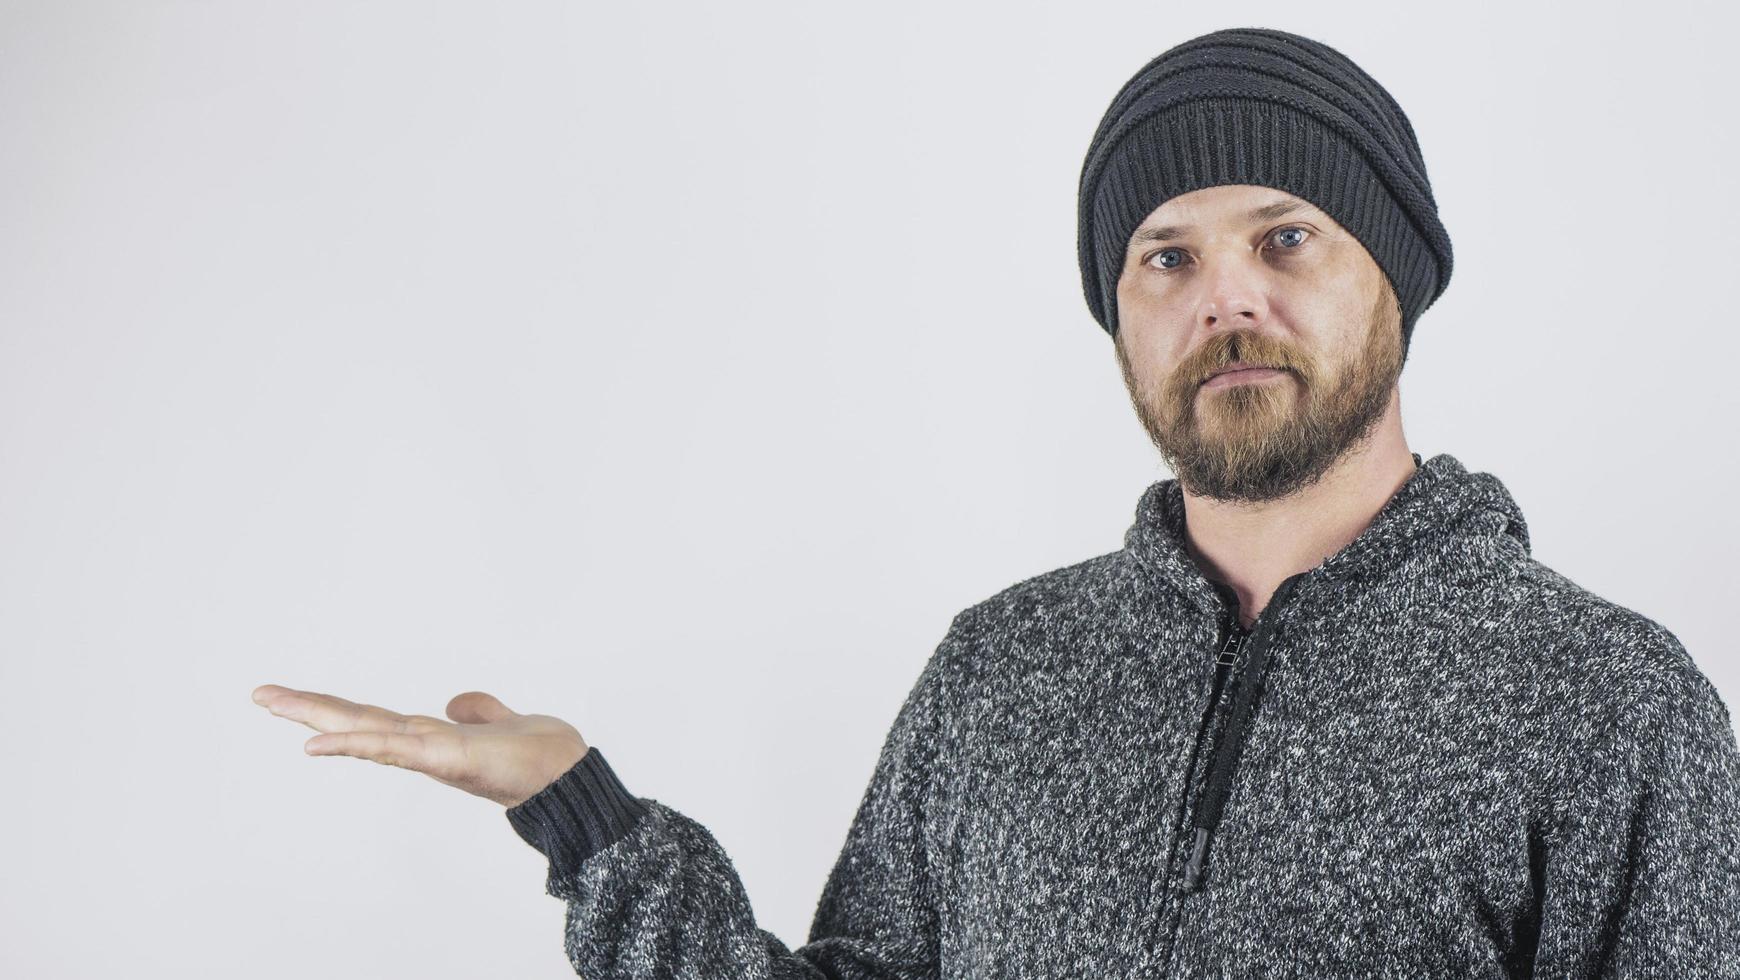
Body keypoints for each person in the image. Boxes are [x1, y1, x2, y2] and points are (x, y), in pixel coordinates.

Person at [253, 26, 1740, 976]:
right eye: (1165, 256)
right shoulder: (1000, 672)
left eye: (1284, 238)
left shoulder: (1610, 705)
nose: (1224, 295)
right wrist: (588, 818)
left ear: (1395, 286)